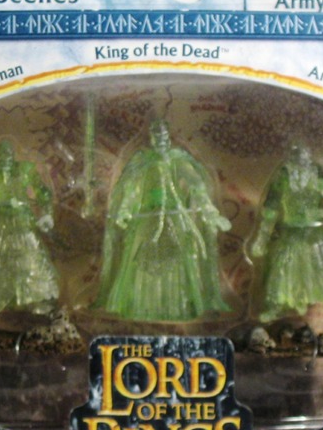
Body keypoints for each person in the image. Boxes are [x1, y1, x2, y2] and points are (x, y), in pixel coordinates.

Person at [95, 120, 231, 321]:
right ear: (151, 138)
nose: (161, 140)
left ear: (169, 138)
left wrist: (210, 212)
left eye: (164, 136)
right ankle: (143, 307)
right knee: (142, 260)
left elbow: (197, 186)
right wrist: (124, 210)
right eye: (156, 136)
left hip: (174, 217)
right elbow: (131, 189)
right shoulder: (142, 161)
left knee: (178, 258)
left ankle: (178, 306)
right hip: (147, 218)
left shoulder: (179, 160)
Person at [250, 144, 323, 320]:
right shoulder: (283, 177)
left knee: (317, 267)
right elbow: (270, 209)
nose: (299, 168)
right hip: (291, 232)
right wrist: (262, 238)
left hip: (312, 234)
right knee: (283, 269)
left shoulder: (316, 177)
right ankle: (276, 306)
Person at [0, 139, 58, 313]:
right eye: (2, 154)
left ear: (13, 155)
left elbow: (42, 191)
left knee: (29, 256)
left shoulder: (25, 170)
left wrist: (46, 213)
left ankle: (37, 299)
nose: (6, 157)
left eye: (9, 154)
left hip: (21, 219)